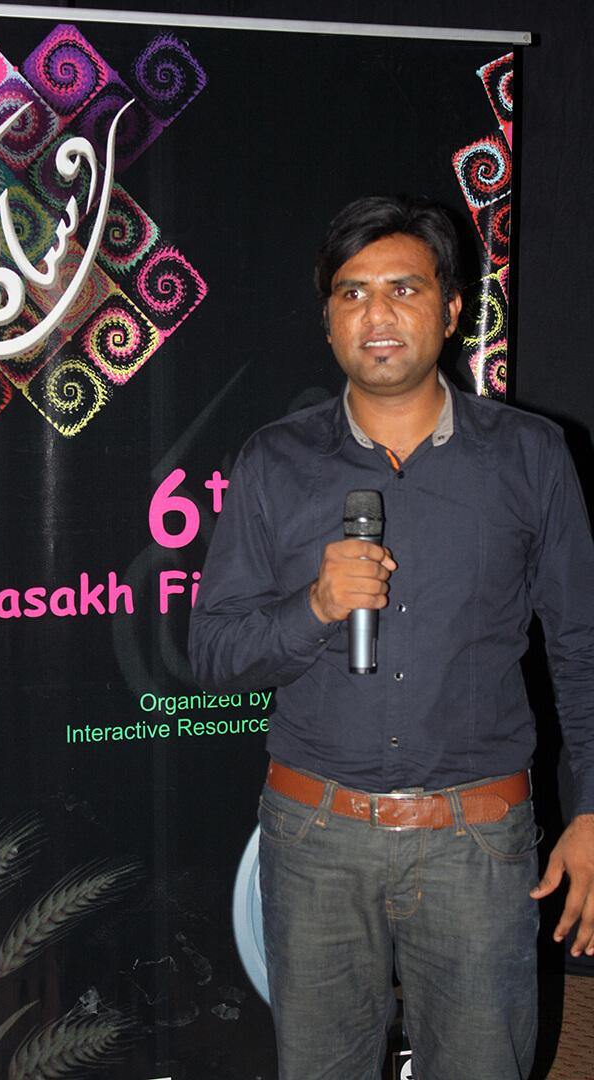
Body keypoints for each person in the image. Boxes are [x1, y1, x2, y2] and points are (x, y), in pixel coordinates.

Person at [188, 195, 594, 1080]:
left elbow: (582, 646)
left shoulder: (530, 456)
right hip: (315, 841)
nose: (376, 313)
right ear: (329, 321)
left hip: (479, 844)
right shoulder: (273, 461)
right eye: (352, 292)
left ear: (450, 312)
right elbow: (214, 653)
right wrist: (314, 608)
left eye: (403, 289)